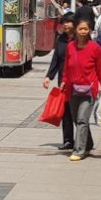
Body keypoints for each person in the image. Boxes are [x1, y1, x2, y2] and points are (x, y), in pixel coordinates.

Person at [62, 18, 101, 161]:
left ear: (90, 31)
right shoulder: (70, 47)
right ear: (76, 30)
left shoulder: (95, 48)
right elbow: (66, 66)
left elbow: (100, 68)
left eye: (85, 29)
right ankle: (88, 144)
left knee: (82, 119)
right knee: (77, 119)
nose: (82, 32)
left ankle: (79, 150)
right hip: (72, 89)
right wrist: (63, 81)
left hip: (89, 90)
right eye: (80, 29)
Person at [44, 12, 79, 151]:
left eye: (68, 22)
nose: (65, 25)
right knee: (65, 112)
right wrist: (49, 77)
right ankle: (68, 140)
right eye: (63, 22)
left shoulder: (80, 39)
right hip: (63, 81)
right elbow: (56, 60)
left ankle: (85, 141)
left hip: (78, 81)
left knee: (78, 113)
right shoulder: (60, 39)